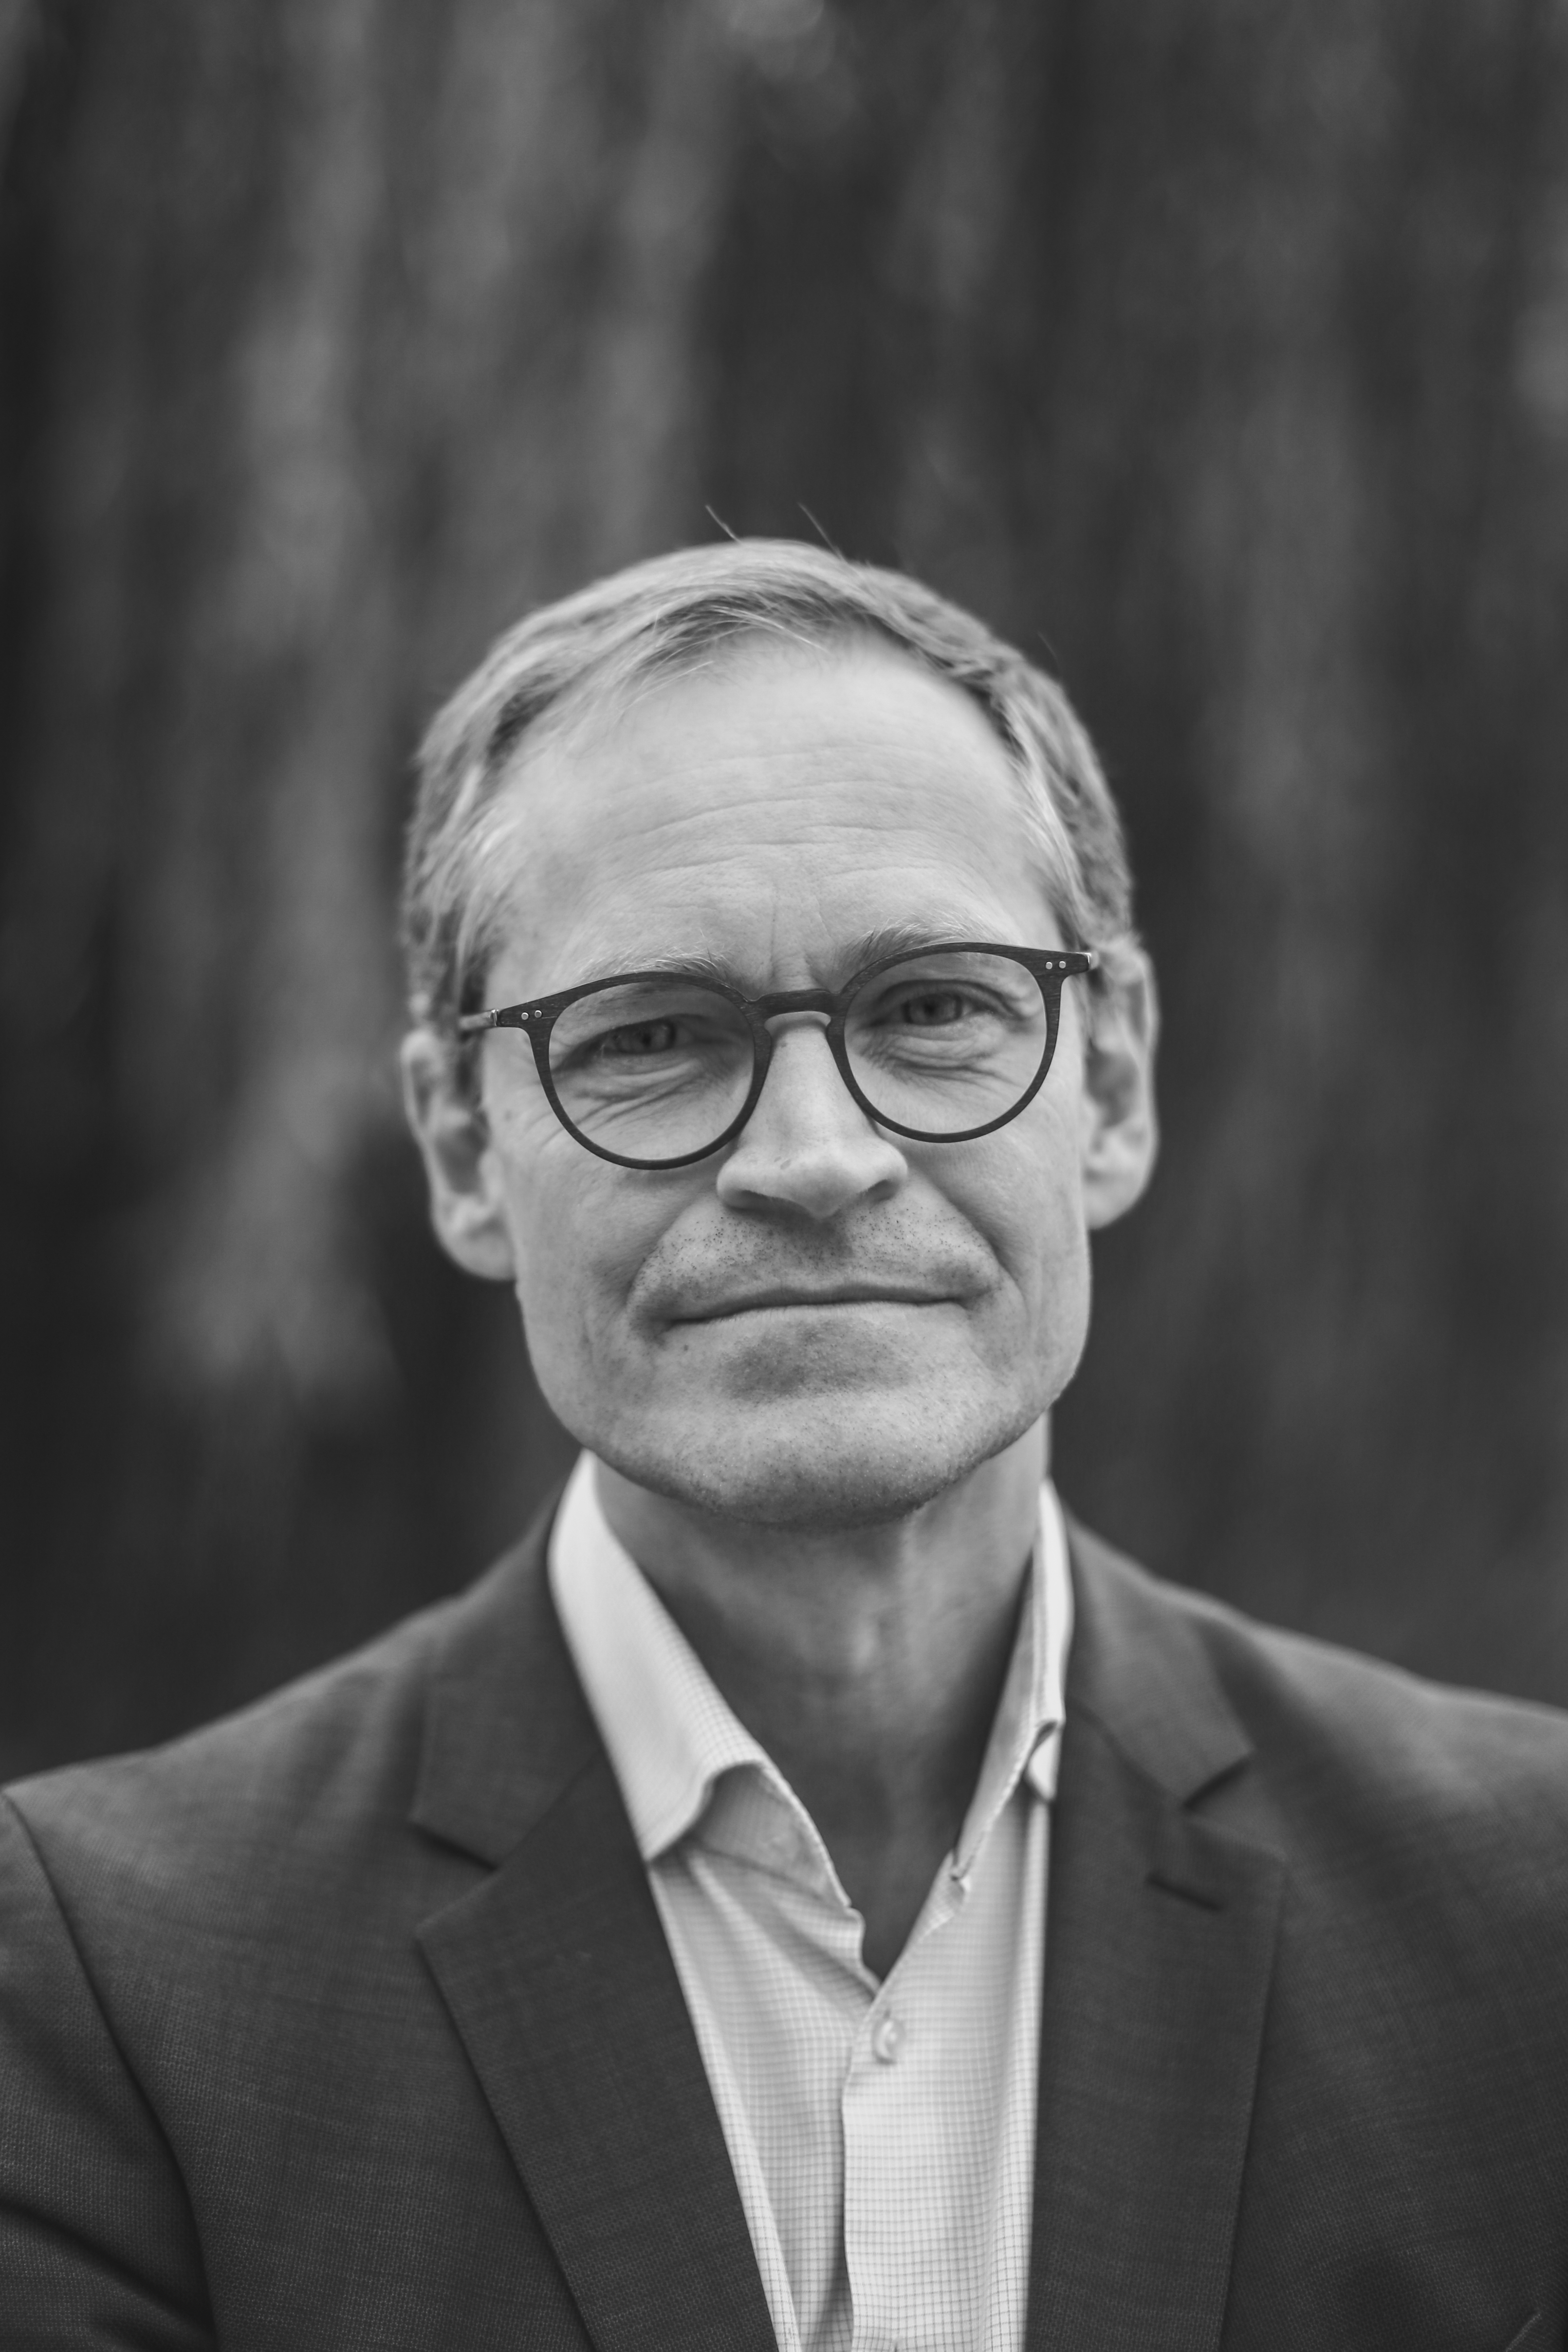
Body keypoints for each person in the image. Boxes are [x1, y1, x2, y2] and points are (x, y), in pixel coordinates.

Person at [2, 540, 1566, 2352]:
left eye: (934, 1008)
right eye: (656, 1037)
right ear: (460, 1151)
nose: (816, 1157)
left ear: (1114, 1084)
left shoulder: (1528, 1920)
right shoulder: (107, 1987)